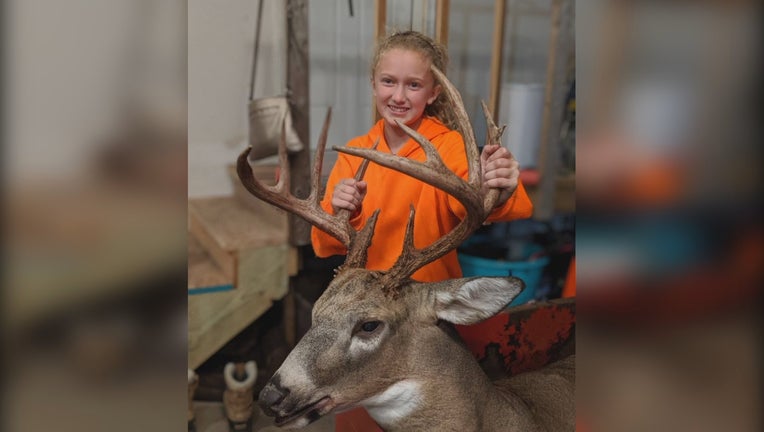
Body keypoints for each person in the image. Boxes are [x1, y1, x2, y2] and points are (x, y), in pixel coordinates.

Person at [312, 30, 533, 282]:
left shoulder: (449, 146)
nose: (398, 96)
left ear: (433, 93)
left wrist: (493, 189)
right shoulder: (356, 153)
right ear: (373, 85)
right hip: (370, 299)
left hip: (427, 298)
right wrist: (342, 210)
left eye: (414, 85)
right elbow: (324, 245)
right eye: (388, 81)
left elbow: (471, 204)